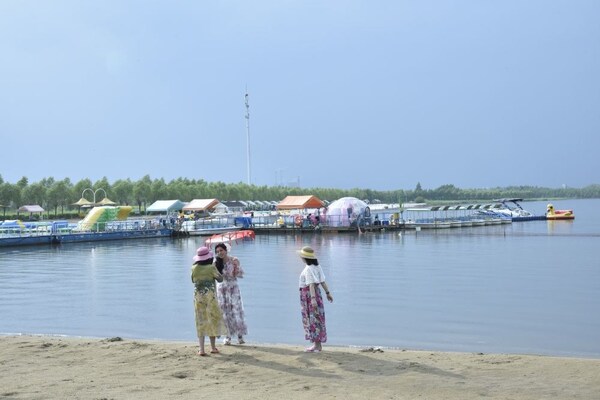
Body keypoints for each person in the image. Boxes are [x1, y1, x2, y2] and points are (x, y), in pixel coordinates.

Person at [191, 246, 227, 356]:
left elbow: (193, 280)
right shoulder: (211, 268)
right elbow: (220, 279)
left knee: (200, 321)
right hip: (211, 299)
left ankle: (201, 349)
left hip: (198, 299)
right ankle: (213, 347)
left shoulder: (194, 268)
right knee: (213, 320)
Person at [297, 246, 333, 352]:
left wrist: (312, 299)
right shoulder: (317, 266)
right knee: (318, 318)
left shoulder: (308, 269)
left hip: (309, 295)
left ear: (305, 258)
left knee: (312, 319)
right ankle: (318, 344)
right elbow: (322, 281)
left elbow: (311, 284)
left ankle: (316, 345)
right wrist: (328, 293)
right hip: (317, 294)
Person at [214, 242, 248, 345]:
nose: (220, 253)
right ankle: (227, 336)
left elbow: (241, 275)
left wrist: (237, 265)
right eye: (218, 251)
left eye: (221, 250)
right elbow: (215, 276)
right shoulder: (216, 262)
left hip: (233, 287)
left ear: (226, 250)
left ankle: (240, 336)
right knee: (225, 312)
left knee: (236, 310)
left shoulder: (233, 260)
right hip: (221, 288)